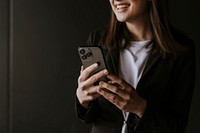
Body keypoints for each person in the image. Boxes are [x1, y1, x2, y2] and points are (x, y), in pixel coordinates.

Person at [75, 0, 196, 133]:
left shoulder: (181, 50)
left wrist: (140, 108)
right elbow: (89, 117)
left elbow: (177, 127)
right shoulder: (97, 40)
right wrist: (82, 100)